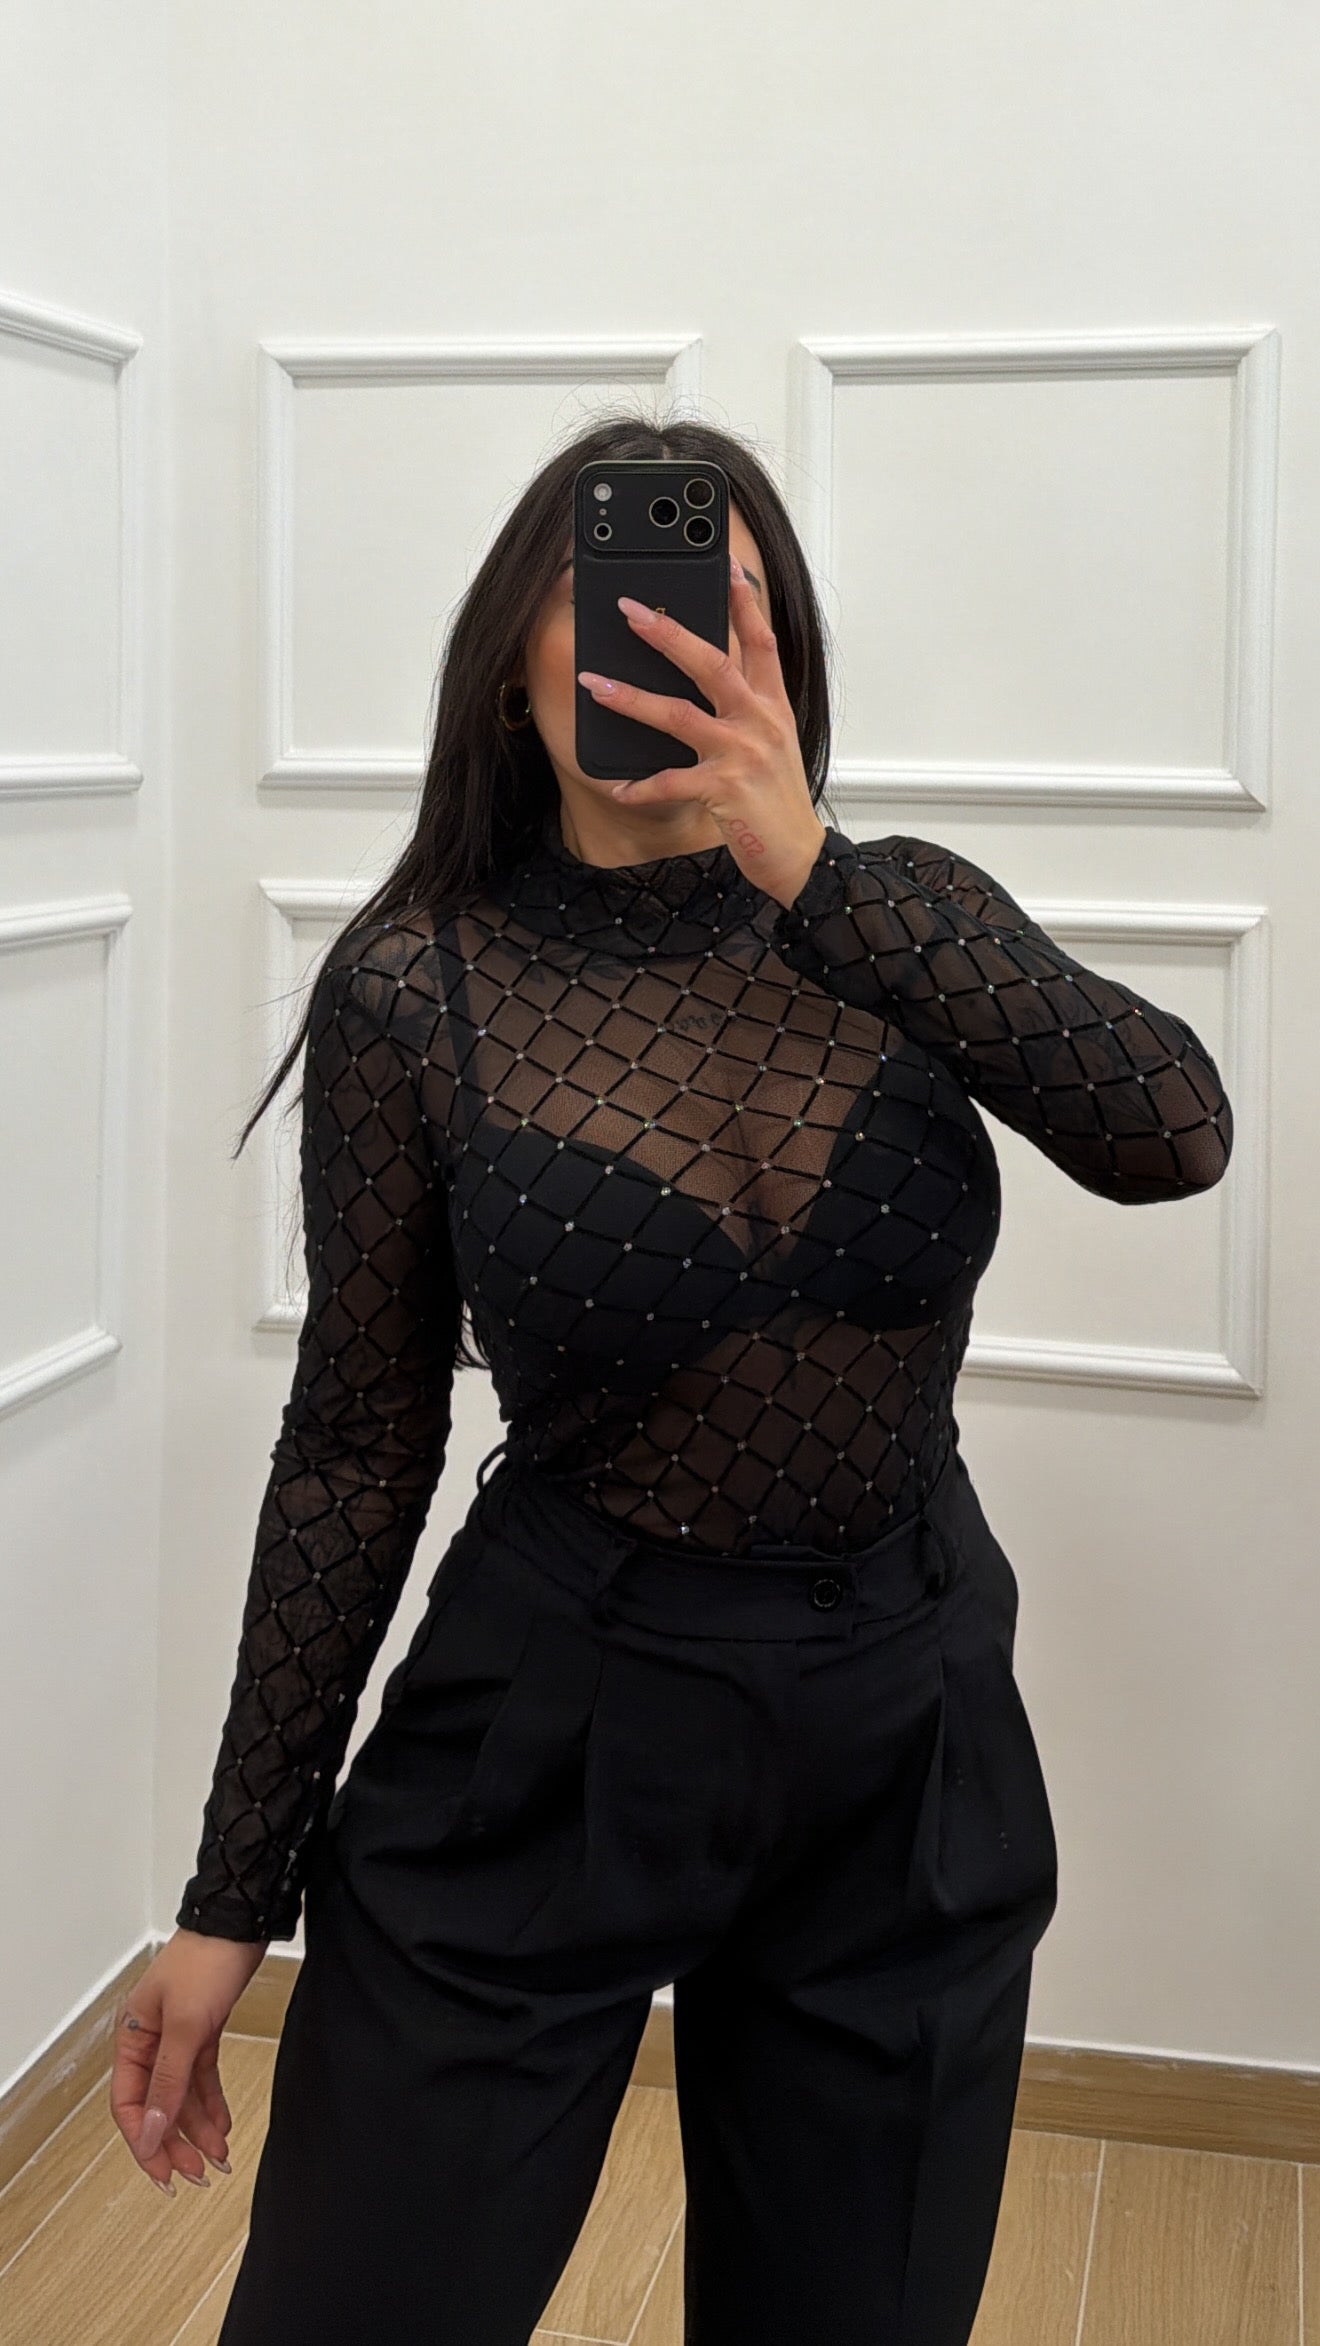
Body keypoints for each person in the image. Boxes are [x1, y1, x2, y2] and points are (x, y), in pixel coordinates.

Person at [111, 413, 1233, 2344]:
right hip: (554, 1724)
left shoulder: (904, 913)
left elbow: (1175, 1128)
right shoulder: (413, 988)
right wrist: (232, 1895)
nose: (664, 639)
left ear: (780, 655)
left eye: (722, 603)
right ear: (512, 671)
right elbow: (356, 1449)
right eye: (614, 598)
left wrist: (818, 874)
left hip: (909, 1735)